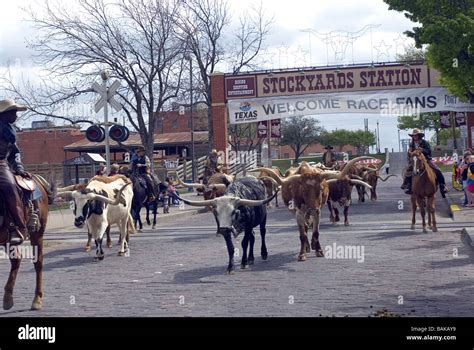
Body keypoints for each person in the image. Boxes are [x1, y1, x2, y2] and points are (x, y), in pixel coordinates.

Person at [0, 98, 37, 245]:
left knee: (10, 187)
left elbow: (15, 153)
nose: (16, 115)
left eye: (16, 112)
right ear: (3, 114)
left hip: (1, 163)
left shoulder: (10, 131)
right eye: (13, 112)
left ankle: (18, 227)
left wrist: (19, 168)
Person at [400, 128, 447, 197]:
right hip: (415, 161)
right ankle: (408, 185)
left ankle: (442, 186)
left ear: (419, 136)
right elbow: (409, 154)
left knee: (438, 170)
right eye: (413, 135)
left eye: (416, 135)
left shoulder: (424, 142)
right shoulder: (411, 144)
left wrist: (422, 150)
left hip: (426, 160)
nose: (415, 137)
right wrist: (410, 154)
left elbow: (429, 151)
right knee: (408, 171)